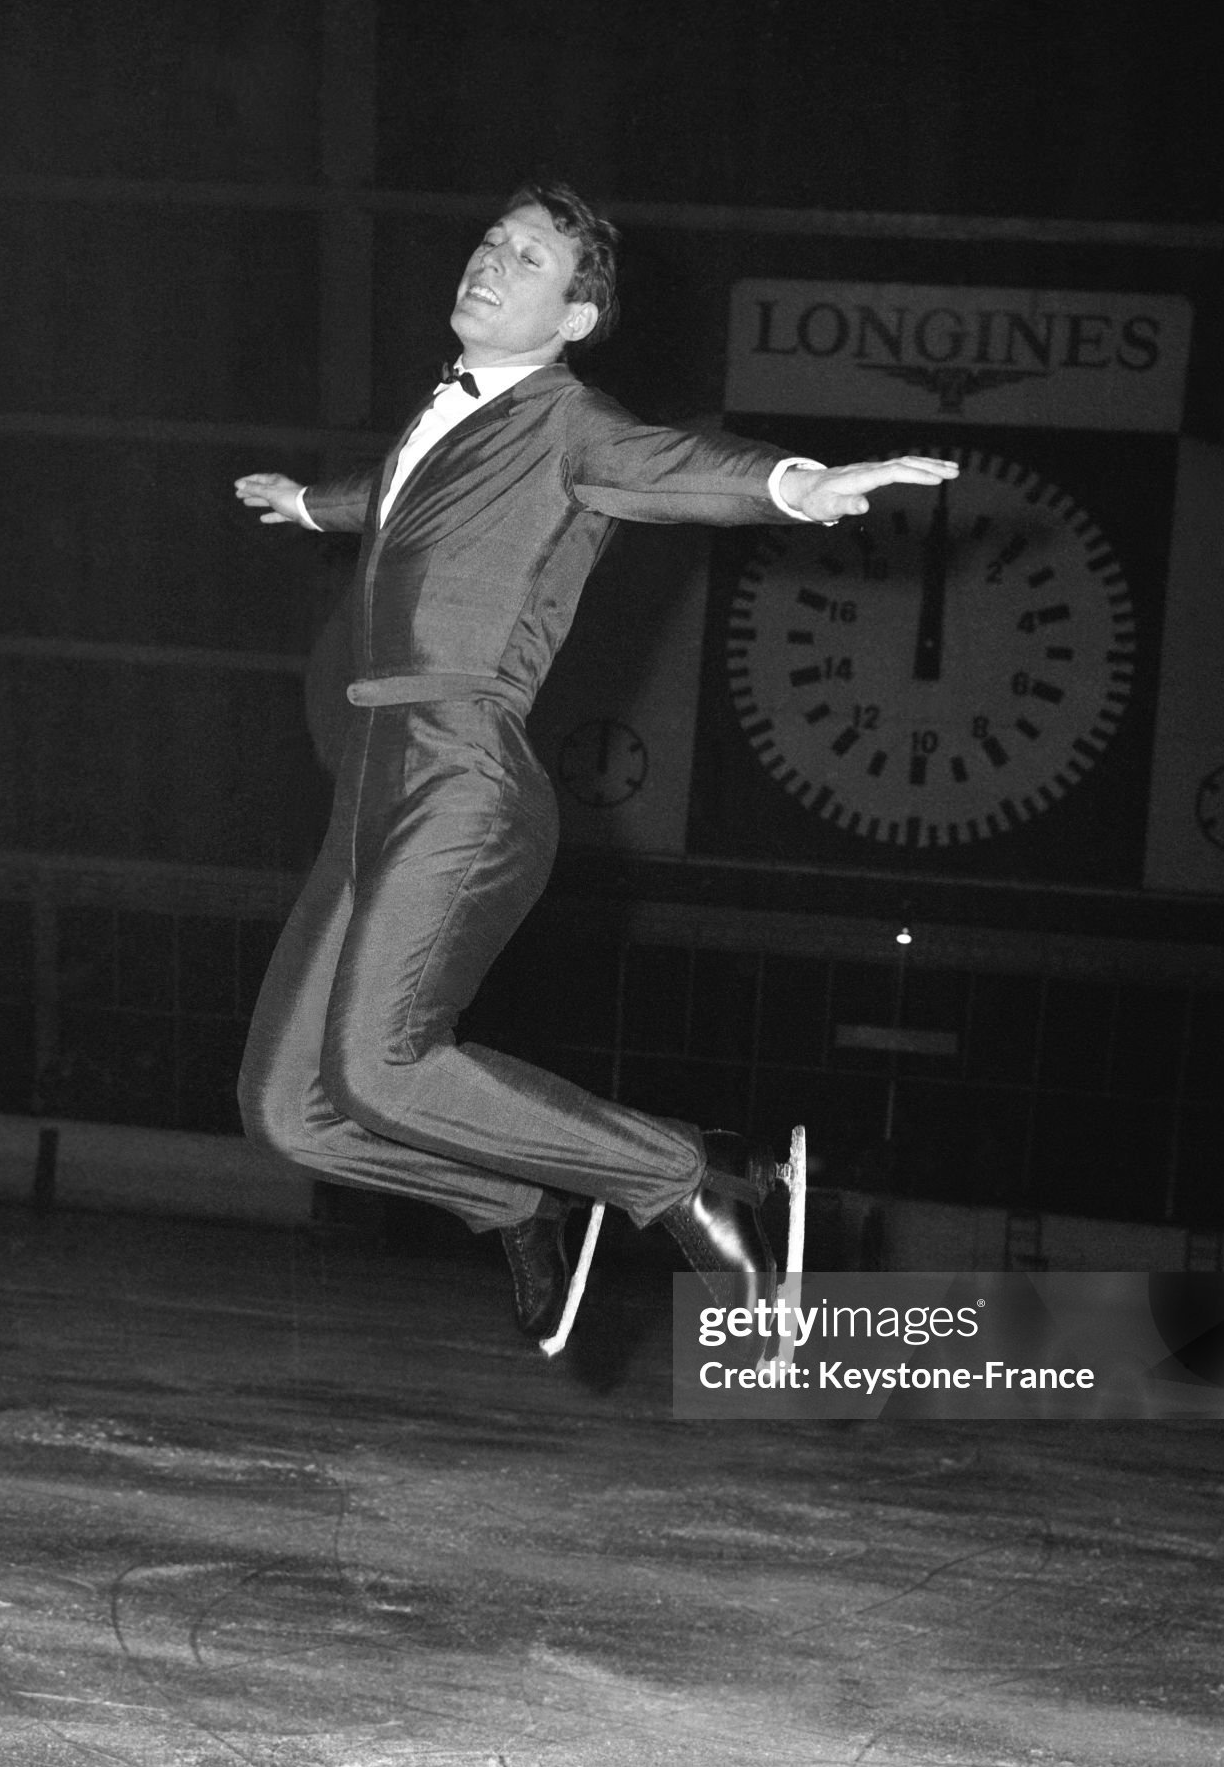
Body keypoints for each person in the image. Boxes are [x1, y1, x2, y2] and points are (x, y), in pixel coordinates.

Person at [234, 183, 956, 1358]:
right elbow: (396, 494)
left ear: (572, 319)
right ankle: (516, 1199)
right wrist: (312, 506)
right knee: (289, 1114)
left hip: (460, 777)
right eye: (489, 242)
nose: (490, 262)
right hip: (368, 789)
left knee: (380, 1069)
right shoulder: (445, 414)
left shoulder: (569, 423)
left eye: (527, 259)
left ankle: (693, 1175)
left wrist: (793, 485)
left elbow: (671, 466)